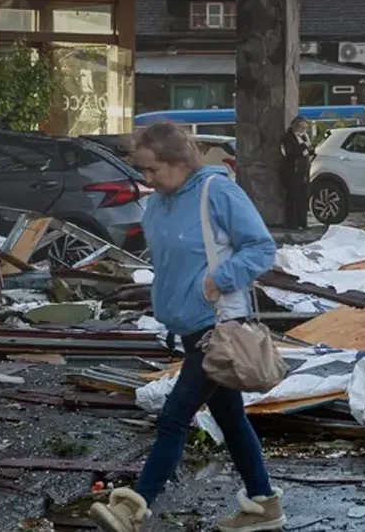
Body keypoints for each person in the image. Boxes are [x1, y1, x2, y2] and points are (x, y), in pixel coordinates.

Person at [89, 121, 283, 532]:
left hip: (219, 326)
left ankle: (133, 508)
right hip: (186, 326)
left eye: (152, 169)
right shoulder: (158, 201)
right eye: (142, 170)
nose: (147, 179)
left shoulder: (218, 192)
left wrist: (219, 280)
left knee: (175, 417)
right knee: (230, 419)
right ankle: (265, 504)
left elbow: (262, 247)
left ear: (179, 161)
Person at [280, 116, 314, 230]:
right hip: (292, 172)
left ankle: (302, 222)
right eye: (301, 127)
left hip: (302, 172)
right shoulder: (287, 138)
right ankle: (292, 223)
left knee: (302, 198)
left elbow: (308, 150)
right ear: (296, 126)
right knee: (292, 198)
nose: (303, 129)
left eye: (305, 127)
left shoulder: (303, 137)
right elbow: (289, 152)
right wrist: (303, 148)